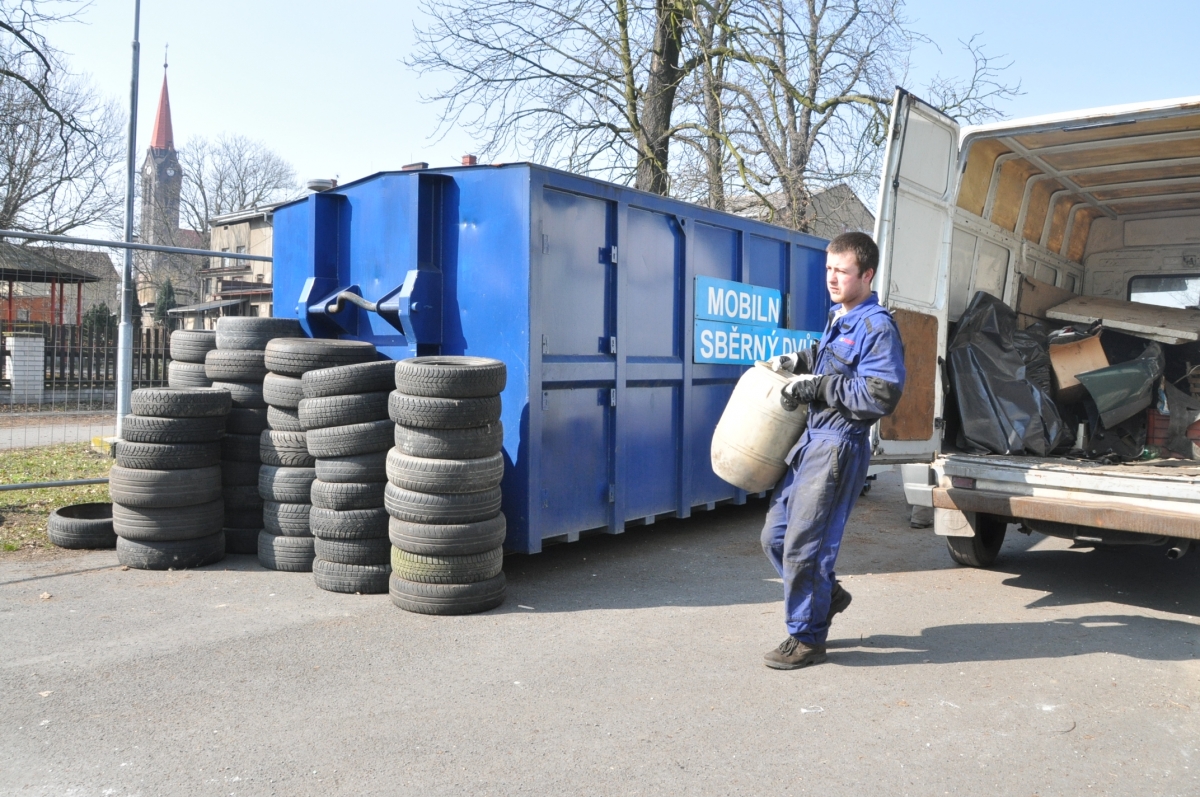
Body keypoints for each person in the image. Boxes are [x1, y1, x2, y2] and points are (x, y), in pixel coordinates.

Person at [759, 231, 906, 670]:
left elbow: (881, 392)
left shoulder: (876, 325)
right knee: (776, 537)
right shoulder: (841, 318)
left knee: (806, 545)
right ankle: (828, 595)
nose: (832, 277)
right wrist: (799, 362)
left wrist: (819, 386)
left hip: (838, 445)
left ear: (867, 274)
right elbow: (831, 359)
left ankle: (806, 637)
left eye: (841, 271)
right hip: (812, 442)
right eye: (828, 269)